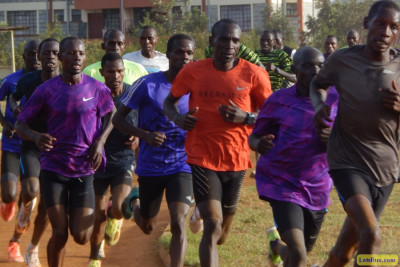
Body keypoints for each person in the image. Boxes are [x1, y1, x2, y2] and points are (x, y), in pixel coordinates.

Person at [163, 19, 272, 267]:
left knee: (222, 234)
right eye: (223, 39)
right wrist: (178, 119)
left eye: (234, 40)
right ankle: (205, 211)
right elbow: (169, 102)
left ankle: (201, 210)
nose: (229, 45)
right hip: (202, 156)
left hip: (237, 159)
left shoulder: (254, 74)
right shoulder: (193, 71)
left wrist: (247, 118)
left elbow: (273, 115)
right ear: (212, 41)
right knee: (212, 227)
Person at [310, 1, 400, 266]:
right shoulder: (342, 60)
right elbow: (317, 83)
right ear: (366, 24)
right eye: (380, 23)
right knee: (370, 235)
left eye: (393, 27)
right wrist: (319, 106)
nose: (385, 31)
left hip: (385, 168)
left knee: (344, 252)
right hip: (347, 160)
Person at [14, 36, 115, 267]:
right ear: (61, 58)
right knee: (59, 233)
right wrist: (36, 136)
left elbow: (112, 114)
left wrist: (100, 143)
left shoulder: (96, 88)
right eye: (70, 53)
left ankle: (75, 210)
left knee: (81, 236)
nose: (76, 57)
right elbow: (20, 123)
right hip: (54, 167)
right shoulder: (46, 90)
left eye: (80, 53)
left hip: (84, 168)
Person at [249, 46, 338, 267]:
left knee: (301, 251)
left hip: (318, 186)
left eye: (320, 65)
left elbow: (354, 136)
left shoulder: (337, 98)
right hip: (282, 183)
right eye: (308, 66)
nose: (315, 71)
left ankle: (276, 247)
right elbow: (254, 137)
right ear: (295, 70)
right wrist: (259, 144)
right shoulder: (278, 100)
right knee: (299, 254)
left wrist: (334, 140)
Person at [113, 33, 195, 267]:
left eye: (189, 52)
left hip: (182, 163)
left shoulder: (197, 86)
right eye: (179, 51)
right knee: (147, 225)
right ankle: (135, 203)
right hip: (151, 165)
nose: (184, 56)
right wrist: (145, 135)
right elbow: (118, 120)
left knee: (178, 221)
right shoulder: (148, 84)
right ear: (168, 54)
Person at [8, 38, 60, 267]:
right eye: (45, 53)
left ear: (61, 56)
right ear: (39, 57)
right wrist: (15, 109)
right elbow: (13, 96)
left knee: (49, 205)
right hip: (31, 142)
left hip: (58, 148)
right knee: (31, 190)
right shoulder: (29, 80)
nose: (50, 56)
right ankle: (23, 210)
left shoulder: (68, 82)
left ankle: (32, 248)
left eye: (54, 53)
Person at [87, 52, 139, 267]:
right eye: (110, 71)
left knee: (119, 208)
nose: (115, 75)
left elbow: (145, 120)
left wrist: (138, 135)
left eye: (119, 71)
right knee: (97, 217)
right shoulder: (94, 95)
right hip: (98, 162)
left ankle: (115, 216)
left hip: (123, 161)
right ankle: (94, 257)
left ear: (124, 71)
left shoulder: (133, 95)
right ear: (102, 73)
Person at [0, 39, 40, 263]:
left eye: (38, 54)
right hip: (12, 145)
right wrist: (4, 123)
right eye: (30, 54)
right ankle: (8, 200)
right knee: (8, 194)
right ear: (23, 56)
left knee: (30, 197)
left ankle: (15, 242)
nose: (35, 58)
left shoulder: (47, 81)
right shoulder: (11, 80)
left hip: (35, 147)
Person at [83, 29, 147, 85]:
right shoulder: (89, 72)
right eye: (111, 44)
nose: (115, 47)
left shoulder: (138, 70)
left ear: (124, 47)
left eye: (120, 44)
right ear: (103, 46)